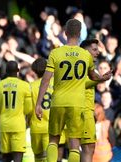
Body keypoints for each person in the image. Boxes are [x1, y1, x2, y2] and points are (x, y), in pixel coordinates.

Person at [35, 19, 112, 162]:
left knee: (53, 140)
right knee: (75, 145)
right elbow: (93, 76)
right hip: (77, 105)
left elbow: (46, 79)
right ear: (79, 34)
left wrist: (38, 103)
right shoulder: (85, 55)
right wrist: (103, 78)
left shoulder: (55, 53)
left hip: (58, 101)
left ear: (65, 33)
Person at [0, 60, 31, 162]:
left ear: (6, 71)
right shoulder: (25, 86)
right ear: (18, 70)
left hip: (4, 125)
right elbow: (28, 108)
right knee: (18, 156)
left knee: (6, 156)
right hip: (18, 124)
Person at [29, 57, 53, 162]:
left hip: (36, 126)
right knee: (51, 157)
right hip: (51, 126)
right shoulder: (55, 84)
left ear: (34, 71)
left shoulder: (30, 87)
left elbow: (28, 108)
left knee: (38, 157)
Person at [79, 39, 100, 162]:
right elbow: (79, 84)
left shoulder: (87, 68)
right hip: (83, 113)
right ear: (85, 51)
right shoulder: (82, 68)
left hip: (85, 112)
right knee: (87, 148)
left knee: (87, 148)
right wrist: (100, 79)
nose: (97, 52)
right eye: (94, 49)